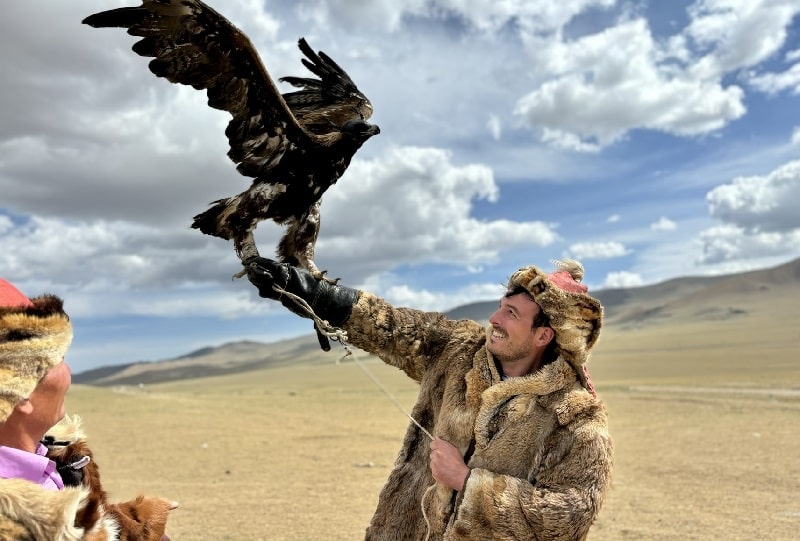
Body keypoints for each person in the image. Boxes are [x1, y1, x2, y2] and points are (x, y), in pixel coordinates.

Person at [245, 257, 613, 541]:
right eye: (501, 305)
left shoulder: (576, 417)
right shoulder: (459, 350)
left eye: (511, 313)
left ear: (543, 336)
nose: (494, 318)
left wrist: (468, 482)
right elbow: (393, 327)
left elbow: (568, 516)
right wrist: (313, 293)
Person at [0, 278, 177, 541]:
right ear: (20, 391)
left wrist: (122, 526)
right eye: (58, 359)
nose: (68, 372)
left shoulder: (59, 458)